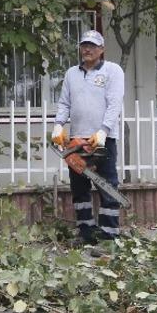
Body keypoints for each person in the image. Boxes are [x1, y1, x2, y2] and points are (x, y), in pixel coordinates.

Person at [50, 30, 125, 248]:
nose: (87, 49)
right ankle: (86, 233)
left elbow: (114, 104)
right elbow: (64, 103)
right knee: (79, 188)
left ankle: (109, 235)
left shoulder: (113, 71)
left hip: (102, 140)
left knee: (107, 185)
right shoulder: (72, 74)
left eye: (92, 46)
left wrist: (103, 130)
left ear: (102, 49)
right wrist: (58, 125)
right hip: (76, 140)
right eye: (84, 45)